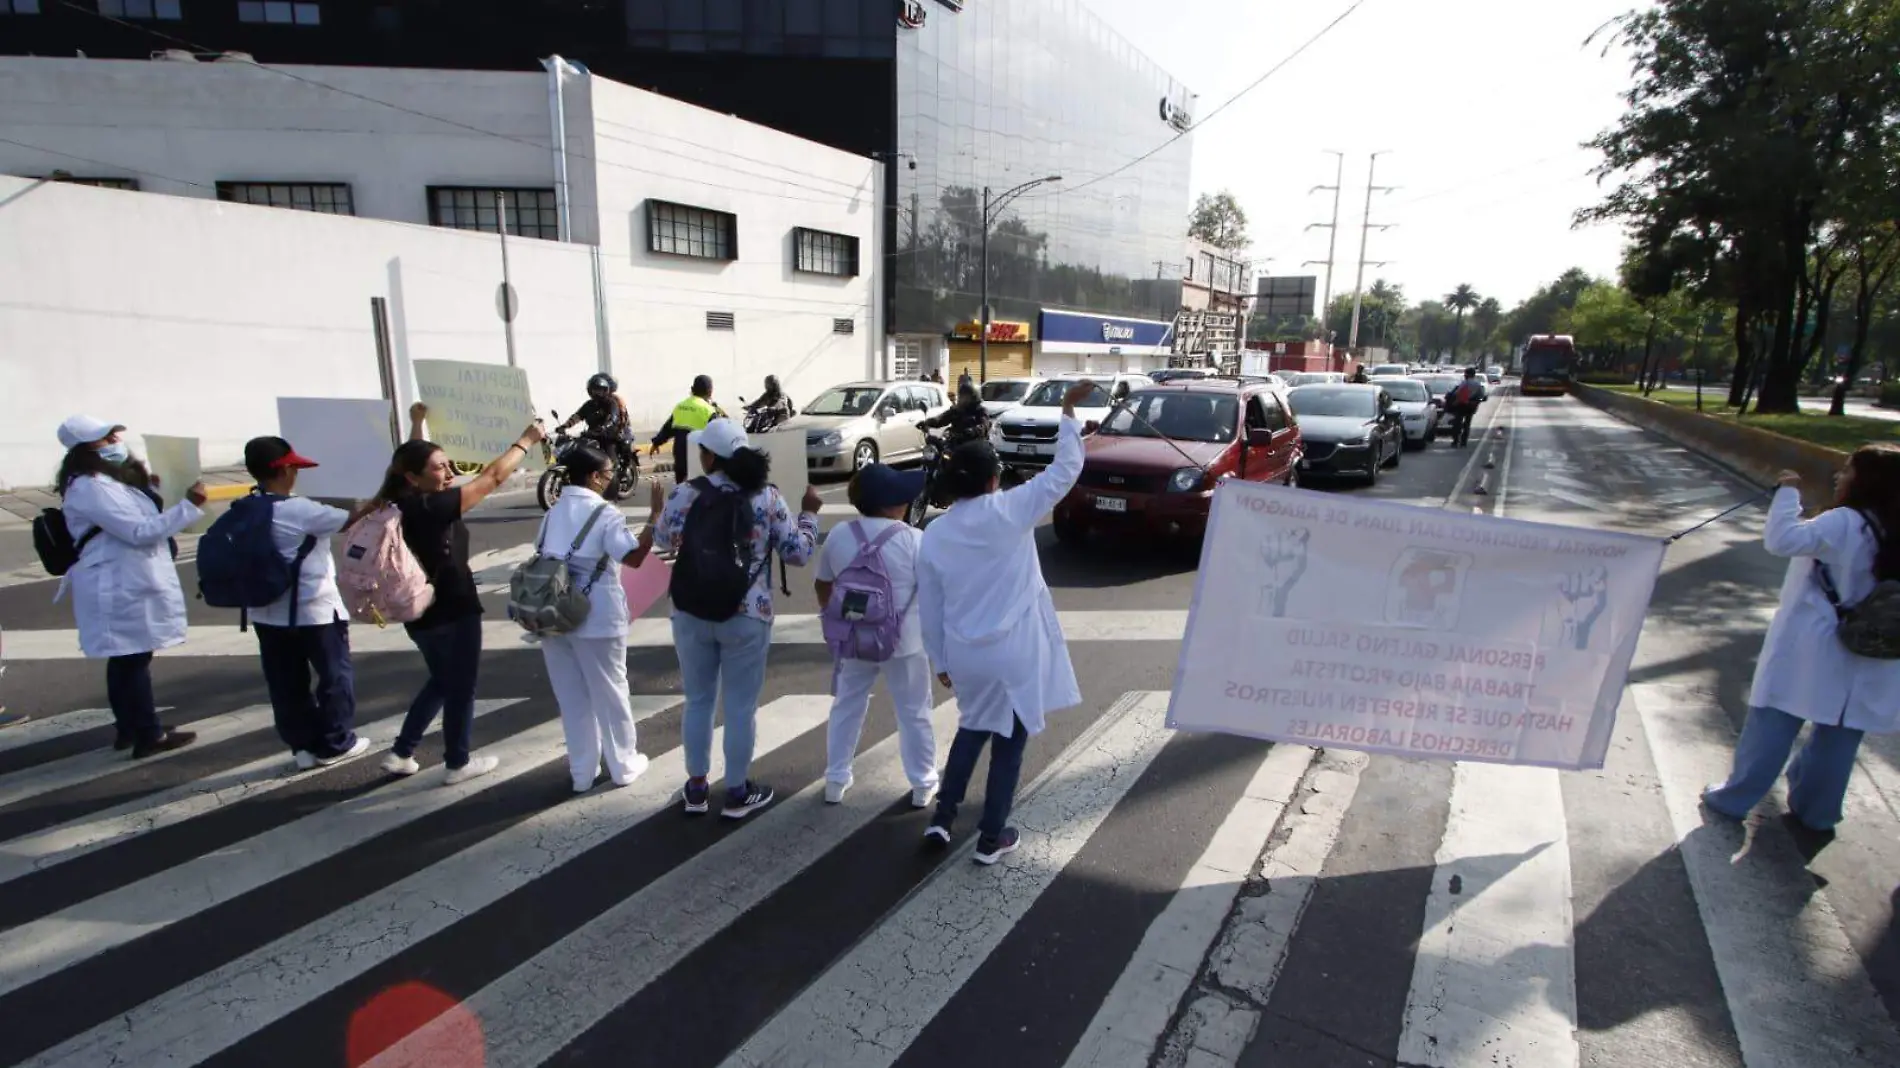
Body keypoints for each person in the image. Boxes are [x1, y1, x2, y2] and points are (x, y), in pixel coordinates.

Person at [917, 379, 1094, 864]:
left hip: (966, 653)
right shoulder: (1011, 511)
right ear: (994, 479)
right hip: (1013, 651)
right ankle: (992, 838)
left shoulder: (933, 534)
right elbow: (1066, 469)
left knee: (971, 729)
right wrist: (1068, 409)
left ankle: (942, 818)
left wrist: (939, 659)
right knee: (1009, 745)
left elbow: (929, 607)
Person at [1702, 451, 1900, 841]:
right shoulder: (1893, 528)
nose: (1840, 476)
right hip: (1874, 650)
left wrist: (1787, 493)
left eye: (1849, 471)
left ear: (1865, 481)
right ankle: (1817, 813)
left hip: (1816, 643)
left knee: (1774, 719)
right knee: (1841, 734)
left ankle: (1735, 798)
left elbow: (1781, 540)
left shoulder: (1844, 522)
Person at [652, 418, 822, 819]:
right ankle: (737, 791)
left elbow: (661, 541)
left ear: (710, 456)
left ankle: (695, 789)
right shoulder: (767, 498)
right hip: (747, 613)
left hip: (690, 610)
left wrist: (658, 513)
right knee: (741, 707)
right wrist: (810, 515)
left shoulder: (684, 494)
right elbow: (797, 553)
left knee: (698, 701)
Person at [375, 402, 544, 784]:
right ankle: (457, 762)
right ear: (414, 477)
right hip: (453, 606)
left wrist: (418, 423)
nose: (449, 471)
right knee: (460, 686)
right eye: (441, 466)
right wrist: (526, 440)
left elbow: (413, 458)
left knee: (441, 679)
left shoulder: (395, 501)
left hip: (416, 611)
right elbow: (493, 477)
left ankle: (403, 751)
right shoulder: (433, 507)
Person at [53, 415, 206, 758]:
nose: (114, 443)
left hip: (126, 577)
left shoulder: (108, 481)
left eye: (113, 436)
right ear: (84, 449)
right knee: (131, 658)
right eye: (104, 440)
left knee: (130, 658)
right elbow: (139, 531)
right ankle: (146, 734)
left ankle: (131, 727)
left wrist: (149, 490)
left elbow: (141, 521)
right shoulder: (90, 486)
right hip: (116, 582)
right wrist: (190, 506)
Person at [535, 442, 657, 793]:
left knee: (572, 698)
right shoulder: (605, 515)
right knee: (610, 692)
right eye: (607, 473)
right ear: (592, 477)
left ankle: (581, 773)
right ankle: (623, 765)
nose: (610, 478)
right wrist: (654, 517)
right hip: (597, 617)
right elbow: (633, 557)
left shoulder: (552, 513)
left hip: (552, 615)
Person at [816, 463, 939, 808]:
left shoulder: (840, 534)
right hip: (904, 642)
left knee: (847, 706)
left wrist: (834, 622)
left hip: (854, 638)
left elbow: (823, 583)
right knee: (914, 711)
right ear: (889, 504)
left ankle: (836, 780)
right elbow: (933, 592)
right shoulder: (914, 539)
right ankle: (922, 783)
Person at [242, 436, 367, 770]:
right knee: (334, 678)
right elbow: (357, 518)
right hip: (315, 610)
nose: (296, 474)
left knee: (286, 685)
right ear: (283, 471)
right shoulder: (301, 510)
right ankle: (336, 742)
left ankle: (302, 748)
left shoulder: (244, 508)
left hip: (267, 613)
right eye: (294, 467)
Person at [557, 373, 637, 479]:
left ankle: (614, 478)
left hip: (608, 436)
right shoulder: (588, 405)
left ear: (605, 390)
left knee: (610, 463)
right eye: (594, 390)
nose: (597, 392)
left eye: (600, 390)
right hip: (592, 434)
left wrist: (605, 426)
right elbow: (577, 416)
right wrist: (565, 426)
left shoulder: (611, 403)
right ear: (590, 390)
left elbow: (613, 418)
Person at [651, 375, 723, 485]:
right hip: (699, 459)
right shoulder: (709, 410)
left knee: (682, 491)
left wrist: (656, 443)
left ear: (692, 389)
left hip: (680, 457)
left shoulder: (681, 406)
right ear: (710, 391)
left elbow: (667, 429)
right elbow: (718, 435)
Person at [920, 381, 991, 448]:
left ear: (973, 397)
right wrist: (927, 423)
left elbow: (984, 426)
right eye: (961, 395)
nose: (961, 398)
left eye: (965, 396)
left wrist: (972, 431)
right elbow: (941, 419)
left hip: (976, 447)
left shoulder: (981, 411)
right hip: (957, 446)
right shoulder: (956, 410)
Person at [1445, 368, 1486, 447]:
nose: (1464, 375)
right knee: (1467, 423)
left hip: (1461, 405)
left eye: (1465, 374)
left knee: (1457, 422)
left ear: (1468, 374)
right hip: (1471, 406)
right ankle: (1464, 442)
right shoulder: (1478, 384)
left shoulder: (1465, 383)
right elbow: (1481, 395)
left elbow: (1457, 393)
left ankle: (1455, 441)